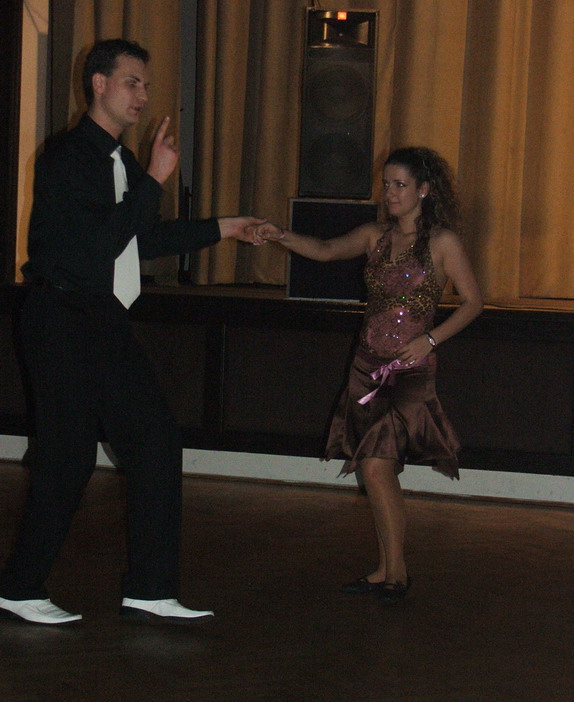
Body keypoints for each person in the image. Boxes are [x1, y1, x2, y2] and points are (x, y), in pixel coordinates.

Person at [0, 38, 265, 625]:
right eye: (132, 82)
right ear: (99, 84)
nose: (143, 95)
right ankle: (19, 587)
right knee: (68, 459)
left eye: (146, 85)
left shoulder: (120, 163)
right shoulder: (67, 157)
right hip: (60, 315)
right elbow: (98, 243)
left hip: (99, 318)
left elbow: (139, 238)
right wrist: (156, 179)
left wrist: (224, 227)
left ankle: (149, 588)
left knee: (154, 444)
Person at [254, 147, 483, 605]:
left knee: (376, 467)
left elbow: (474, 302)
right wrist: (279, 234)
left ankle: (397, 573)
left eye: (400, 185)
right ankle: (386, 570)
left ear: (424, 189)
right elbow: (323, 251)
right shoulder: (374, 235)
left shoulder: (443, 242)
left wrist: (430, 340)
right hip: (366, 365)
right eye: (387, 184)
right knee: (376, 470)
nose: (390, 193)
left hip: (409, 369)